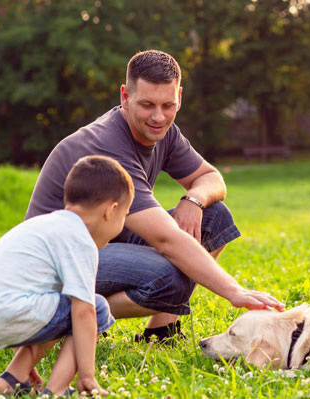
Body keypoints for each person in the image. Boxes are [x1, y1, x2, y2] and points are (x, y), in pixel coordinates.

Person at [25, 49, 284, 343]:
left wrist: (194, 199)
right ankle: (73, 318)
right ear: (125, 96)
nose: (158, 117)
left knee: (216, 218)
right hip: (56, 266)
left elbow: (211, 178)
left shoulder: (165, 132)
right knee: (167, 276)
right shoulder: (108, 143)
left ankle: (161, 331)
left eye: (167, 105)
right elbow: (166, 240)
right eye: (147, 104)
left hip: (106, 240)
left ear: (179, 98)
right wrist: (235, 292)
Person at [0, 155, 132, 396]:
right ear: (111, 210)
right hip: (10, 310)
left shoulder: (47, 226)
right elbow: (83, 311)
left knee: (60, 306)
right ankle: (57, 389)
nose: (122, 223)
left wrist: (24, 355)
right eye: (125, 215)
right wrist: (87, 375)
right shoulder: (80, 239)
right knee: (95, 307)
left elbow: (25, 292)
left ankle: (13, 379)